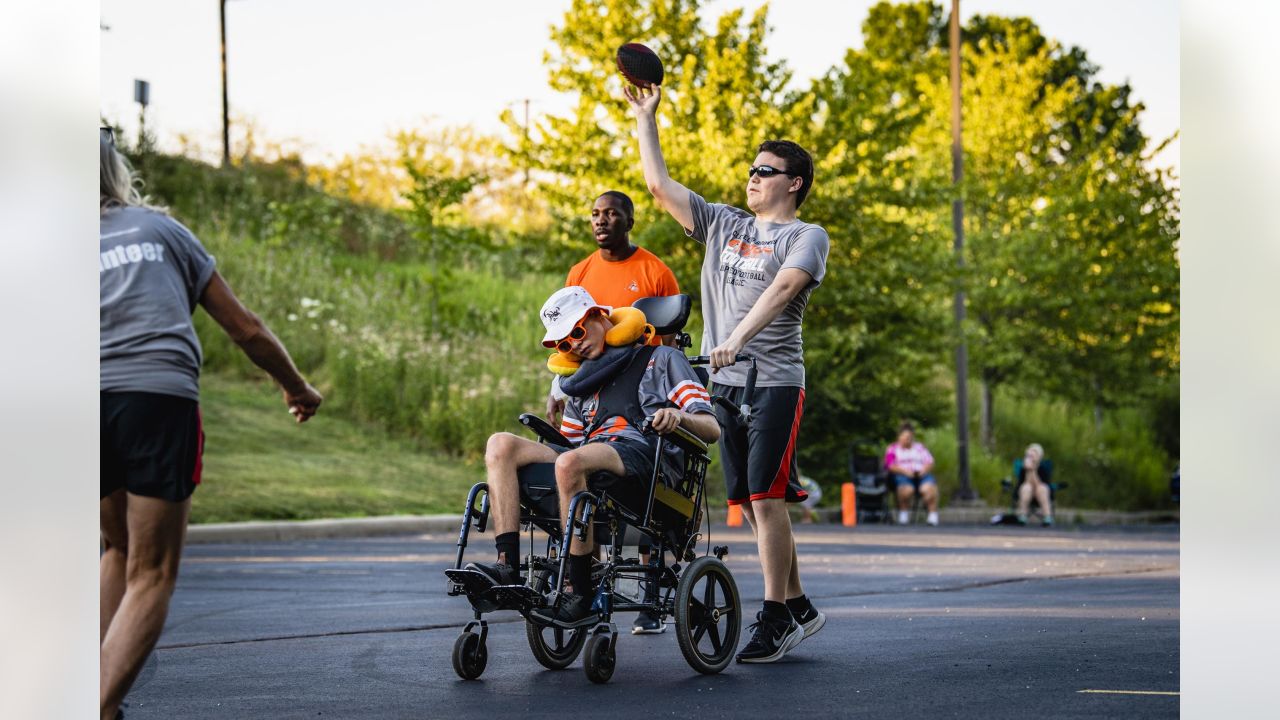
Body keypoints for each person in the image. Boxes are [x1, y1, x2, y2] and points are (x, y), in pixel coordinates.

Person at [99, 128, 322, 720]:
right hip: (157, 400)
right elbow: (245, 329)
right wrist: (296, 387)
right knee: (151, 571)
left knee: (118, 546)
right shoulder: (160, 230)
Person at [624, 84, 829, 664]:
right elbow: (659, 187)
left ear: (794, 184)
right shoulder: (721, 224)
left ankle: (775, 617)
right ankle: (799, 604)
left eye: (767, 171)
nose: (754, 177)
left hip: (774, 383)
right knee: (754, 498)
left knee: (766, 497)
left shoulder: (805, 236)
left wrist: (735, 340)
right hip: (725, 384)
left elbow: (784, 287)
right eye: (752, 169)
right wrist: (647, 118)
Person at [470, 286, 720, 629]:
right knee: (500, 444)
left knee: (570, 462)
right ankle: (506, 566)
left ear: (599, 315)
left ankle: (580, 592)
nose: (575, 344)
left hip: (644, 456)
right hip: (588, 457)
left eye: (577, 331)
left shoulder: (662, 360)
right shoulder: (582, 382)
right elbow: (571, 445)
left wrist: (679, 417)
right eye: (565, 343)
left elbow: (711, 427)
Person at [547, 190, 682, 634]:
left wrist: (662, 393)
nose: (601, 221)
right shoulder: (580, 271)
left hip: (639, 384)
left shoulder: (654, 271)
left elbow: (668, 340)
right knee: (578, 470)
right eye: (595, 215)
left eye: (611, 214)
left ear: (629, 221)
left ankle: (648, 592)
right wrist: (557, 389)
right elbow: (567, 340)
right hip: (590, 387)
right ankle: (591, 581)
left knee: (642, 483)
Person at [884, 422, 938, 526]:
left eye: (909, 437)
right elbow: (889, 465)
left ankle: (932, 515)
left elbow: (930, 462)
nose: (906, 440)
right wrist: (905, 471)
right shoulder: (892, 449)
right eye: (904, 437)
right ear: (899, 437)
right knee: (906, 490)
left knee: (929, 489)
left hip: (921, 475)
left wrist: (923, 470)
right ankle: (903, 513)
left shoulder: (920, 448)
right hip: (902, 475)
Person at [1016, 443, 1054, 526]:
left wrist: (1033, 470)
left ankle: (1047, 516)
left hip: (1040, 493)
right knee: (1027, 487)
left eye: (1035, 453)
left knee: (1041, 488)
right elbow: (1026, 482)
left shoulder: (1043, 467)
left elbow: (1038, 484)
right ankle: (1023, 515)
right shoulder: (1023, 468)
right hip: (1026, 492)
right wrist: (1028, 470)